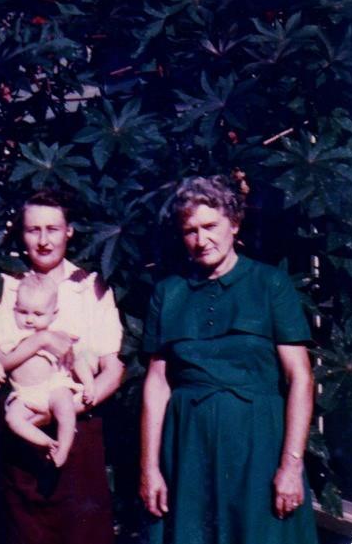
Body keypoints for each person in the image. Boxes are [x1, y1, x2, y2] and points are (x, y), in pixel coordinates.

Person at [139, 175, 317, 544]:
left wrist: (291, 464)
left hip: (259, 445)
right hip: (188, 448)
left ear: (234, 224)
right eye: (190, 231)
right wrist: (150, 467)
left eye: (210, 226)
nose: (201, 240)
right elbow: (157, 383)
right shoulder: (168, 293)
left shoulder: (270, 284)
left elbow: (300, 377)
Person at [0, 189, 124, 544]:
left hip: (79, 430)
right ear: (21, 234)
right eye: (33, 230)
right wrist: (39, 341)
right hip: (22, 436)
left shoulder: (91, 285)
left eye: (52, 229)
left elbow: (113, 369)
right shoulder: (3, 283)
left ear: (69, 231)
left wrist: (65, 409)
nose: (43, 240)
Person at [0, 275, 96, 467]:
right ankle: (46, 442)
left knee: (66, 410)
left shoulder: (58, 334)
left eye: (38, 314)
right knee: (12, 419)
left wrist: (89, 383)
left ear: (54, 314)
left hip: (54, 386)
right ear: (15, 308)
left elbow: (77, 358)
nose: (29, 319)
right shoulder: (11, 332)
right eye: (22, 312)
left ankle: (63, 449)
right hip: (25, 393)